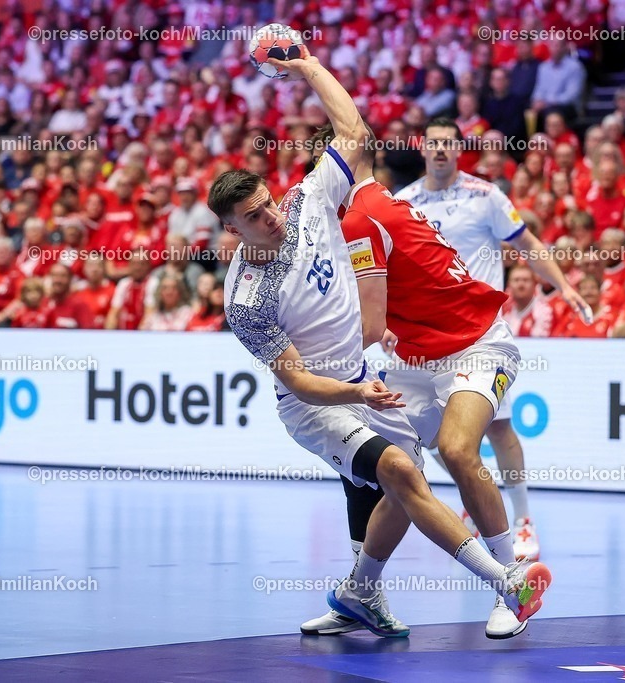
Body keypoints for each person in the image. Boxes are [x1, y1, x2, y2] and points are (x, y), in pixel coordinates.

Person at [210, 49, 550, 640]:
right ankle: (506, 582)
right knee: (400, 470)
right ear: (230, 229)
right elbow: (295, 380)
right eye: (253, 216)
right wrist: (357, 383)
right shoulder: (246, 300)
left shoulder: (307, 202)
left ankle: (360, 590)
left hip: (379, 376)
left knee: (402, 480)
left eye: (267, 203)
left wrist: (308, 64)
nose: (270, 217)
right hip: (319, 402)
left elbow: (353, 130)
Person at [393, 117, 589, 566]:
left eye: (448, 144)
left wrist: (565, 287)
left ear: (460, 151)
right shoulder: (403, 203)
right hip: (426, 340)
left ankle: (521, 518)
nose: (440, 150)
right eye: (433, 143)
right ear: (422, 149)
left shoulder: (485, 196)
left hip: (479, 338)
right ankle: (480, 496)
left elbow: (529, 244)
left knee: (498, 426)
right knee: (441, 442)